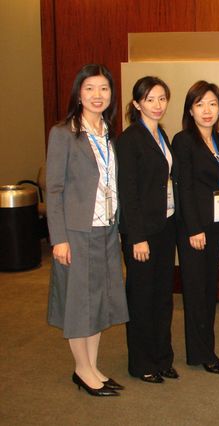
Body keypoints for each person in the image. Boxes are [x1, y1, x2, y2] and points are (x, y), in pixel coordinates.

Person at [46, 63, 128, 396]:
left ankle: (92, 366)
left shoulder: (107, 132)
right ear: (79, 93)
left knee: (99, 302)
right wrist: (59, 239)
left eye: (104, 89)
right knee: (79, 304)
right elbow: (54, 189)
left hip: (106, 231)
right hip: (77, 233)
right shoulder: (63, 133)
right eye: (90, 88)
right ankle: (82, 370)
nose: (98, 95)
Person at [117, 76, 179, 383]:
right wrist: (137, 237)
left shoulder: (161, 135)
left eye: (162, 98)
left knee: (162, 296)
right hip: (141, 233)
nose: (157, 105)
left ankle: (162, 358)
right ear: (137, 103)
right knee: (141, 296)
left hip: (165, 226)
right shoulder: (130, 139)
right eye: (150, 99)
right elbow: (127, 193)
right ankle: (141, 363)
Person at [172, 81, 219, 375]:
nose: (207, 110)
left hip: (216, 226)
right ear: (190, 110)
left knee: (210, 290)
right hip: (193, 229)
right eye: (200, 104)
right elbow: (183, 189)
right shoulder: (183, 141)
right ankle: (201, 353)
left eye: (212, 104)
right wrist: (194, 229)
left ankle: (205, 348)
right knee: (196, 292)